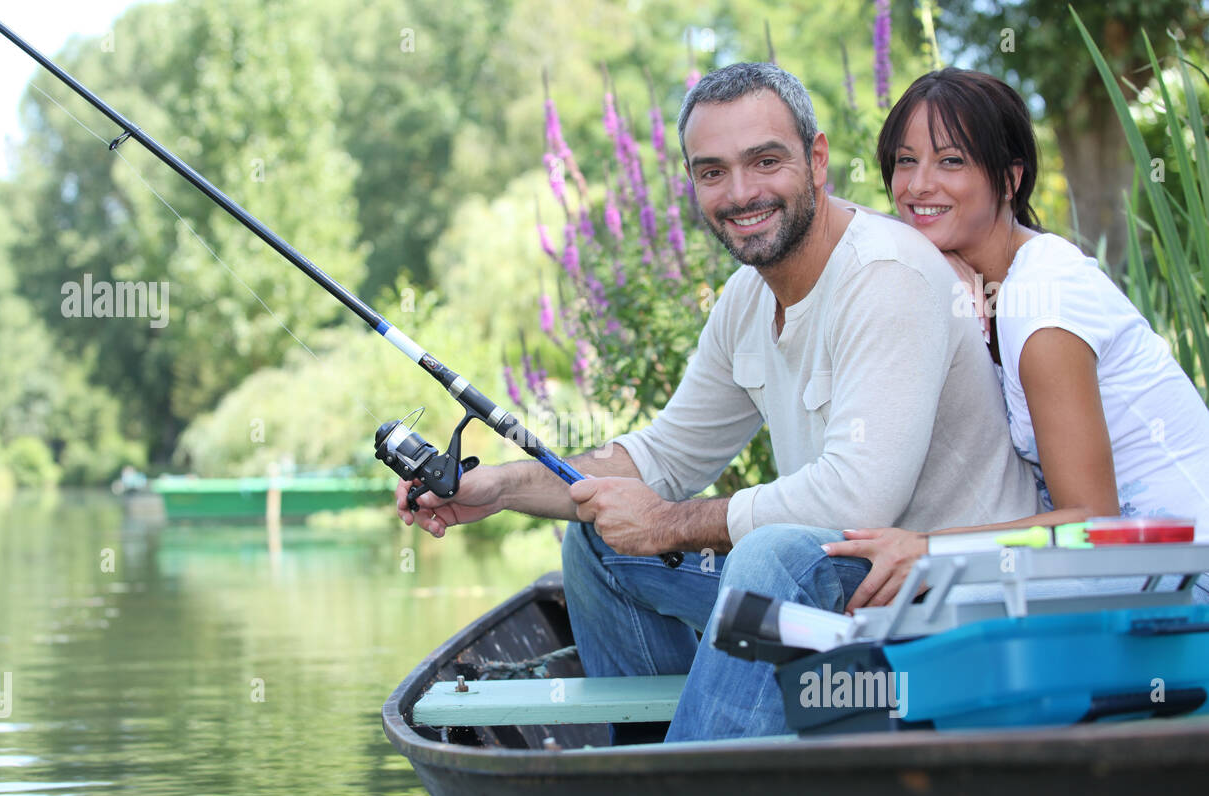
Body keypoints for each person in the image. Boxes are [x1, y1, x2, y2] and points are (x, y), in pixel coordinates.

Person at [395, 62, 1040, 743]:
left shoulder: (888, 274)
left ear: (817, 160)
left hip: (952, 608)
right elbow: (663, 457)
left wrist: (669, 524)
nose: (740, 193)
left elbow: (856, 502)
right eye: (712, 172)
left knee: (771, 559)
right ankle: (655, 763)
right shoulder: (748, 299)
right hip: (849, 597)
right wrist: (500, 487)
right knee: (599, 537)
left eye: (766, 161)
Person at [821, 68, 1209, 607]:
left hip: (1188, 574)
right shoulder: (989, 279)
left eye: (950, 160)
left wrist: (932, 549)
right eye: (905, 161)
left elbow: (1092, 520)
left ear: (1010, 178)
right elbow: (849, 221)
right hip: (1137, 570)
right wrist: (936, 259)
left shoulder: (1043, 303)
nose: (917, 185)